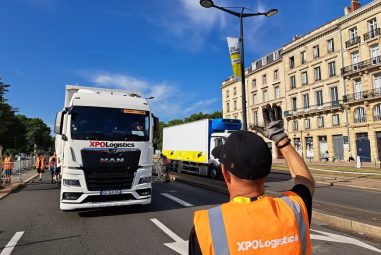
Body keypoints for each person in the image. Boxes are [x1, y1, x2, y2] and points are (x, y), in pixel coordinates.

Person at [189, 104, 315, 255]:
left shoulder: (206, 227)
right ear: (267, 171)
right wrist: (281, 138)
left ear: (225, 172)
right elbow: (306, 181)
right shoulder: (293, 210)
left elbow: (306, 181)